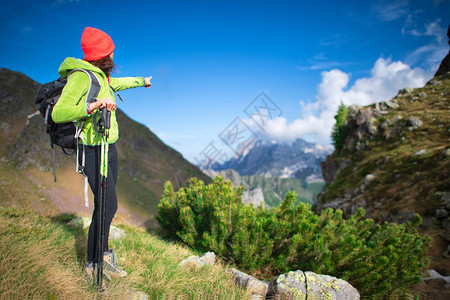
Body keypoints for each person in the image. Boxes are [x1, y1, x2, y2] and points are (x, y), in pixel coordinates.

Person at [52, 26, 152, 279]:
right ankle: (92, 265)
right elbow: (59, 112)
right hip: (93, 149)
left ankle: (104, 254)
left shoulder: (102, 77)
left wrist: (142, 81)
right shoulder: (81, 77)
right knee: (107, 206)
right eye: (111, 53)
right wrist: (94, 105)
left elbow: (118, 83)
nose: (114, 58)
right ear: (103, 56)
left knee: (107, 203)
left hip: (110, 146)